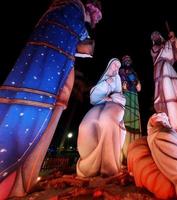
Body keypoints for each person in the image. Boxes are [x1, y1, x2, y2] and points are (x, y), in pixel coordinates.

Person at [0, 0, 102, 198]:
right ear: (92, 10)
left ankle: (25, 181)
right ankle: (14, 184)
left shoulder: (70, 13)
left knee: (51, 111)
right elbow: (84, 47)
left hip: (56, 67)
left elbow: (83, 47)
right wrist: (84, 43)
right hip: (48, 70)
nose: (94, 21)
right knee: (36, 113)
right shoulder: (72, 10)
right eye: (96, 16)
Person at [76, 58, 126, 177]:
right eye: (114, 65)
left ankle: (109, 165)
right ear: (109, 66)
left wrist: (112, 97)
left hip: (114, 104)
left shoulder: (117, 78)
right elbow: (93, 98)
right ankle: (89, 164)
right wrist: (106, 84)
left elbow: (120, 95)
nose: (116, 68)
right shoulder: (103, 79)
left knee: (106, 120)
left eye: (118, 67)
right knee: (85, 125)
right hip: (99, 104)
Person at [119, 55, 142, 162]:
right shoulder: (121, 71)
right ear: (123, 62)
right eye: (125, 60)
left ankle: (134, 148)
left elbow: (139, 87)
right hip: (125, 95)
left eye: (129, 60)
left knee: (135, 119)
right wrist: (124, 86)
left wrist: (137, 83)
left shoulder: (134, 72)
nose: (127, 61)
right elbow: (119, 84)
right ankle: (123, 150)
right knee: (125, 117)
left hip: (134, 96)